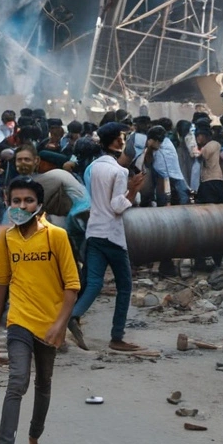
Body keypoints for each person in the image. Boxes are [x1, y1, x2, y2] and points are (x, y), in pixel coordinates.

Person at [0, 176, 80, 444]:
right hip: (19, 321)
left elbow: (72, 286)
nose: (21, 206)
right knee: (17, 382)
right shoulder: (7, 239)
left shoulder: (57, 236)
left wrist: (60, 324)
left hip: (50, 324)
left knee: (44, 383)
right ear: (8, 203)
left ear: (39, 205)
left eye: (27, 201)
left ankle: (35, 439)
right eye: (15, 201)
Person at [68, 122, 145, 352]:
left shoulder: (92, 168)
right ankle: (117, 337)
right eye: (122, 137)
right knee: (125, 286)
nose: (124, 141)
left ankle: (73, 314)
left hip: (94, 231)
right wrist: (134, 189)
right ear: (117, 141)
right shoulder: (119, 171)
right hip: (112, 234)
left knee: (93, 283)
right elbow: (118, 206)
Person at [194, 120, 223, 271]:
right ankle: (215, 258)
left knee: (211, 219)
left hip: (210, 183)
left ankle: (214, 257)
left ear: (205, 135)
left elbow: (199, 156)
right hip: (213, 182)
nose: (197, 139)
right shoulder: (215, 145)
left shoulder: (210, 146)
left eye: (199, 136)